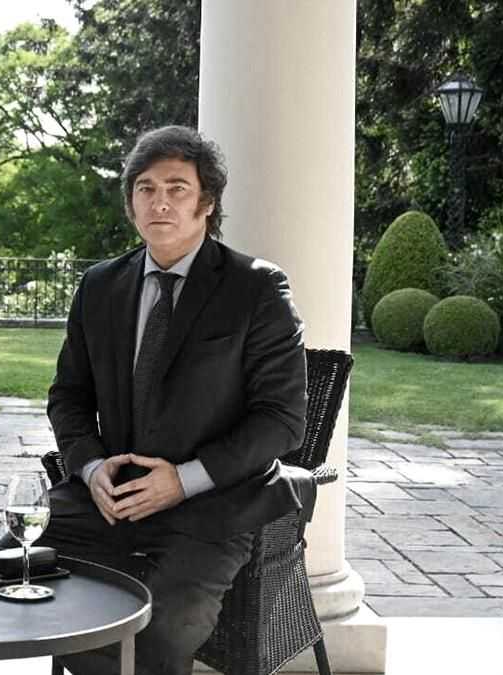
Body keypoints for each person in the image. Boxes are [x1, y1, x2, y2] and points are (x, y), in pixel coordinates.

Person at [34, 126, 308, 675]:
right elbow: (68, 397)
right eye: (146, 188)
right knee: (5, 579)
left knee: (155, 634)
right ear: (131, 202)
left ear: (206, 202)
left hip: (212, 508)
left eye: (177, 188)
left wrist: (182, 481)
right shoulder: (99, 286)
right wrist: (90, 468)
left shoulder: (256, 288)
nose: (159, 202)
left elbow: (282, 420)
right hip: (108, 501)